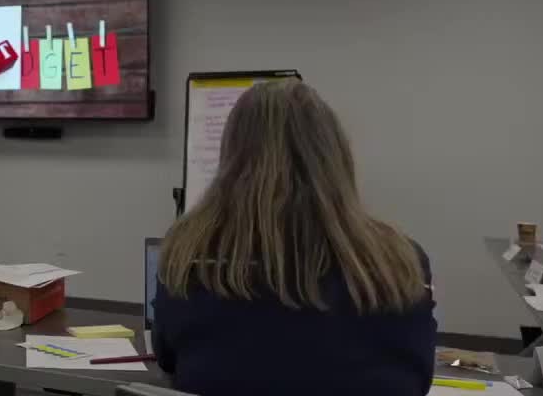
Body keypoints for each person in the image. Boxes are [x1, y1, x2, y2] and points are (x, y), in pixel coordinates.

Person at [155, 79, 436, 396]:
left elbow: (169, 360)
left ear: (231, 159)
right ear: (335, 156)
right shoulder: (400, 262)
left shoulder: (189, 258)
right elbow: (418, 375)